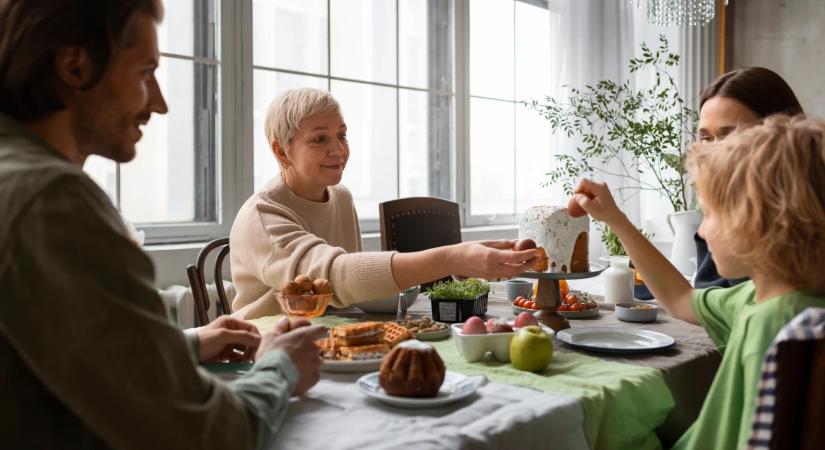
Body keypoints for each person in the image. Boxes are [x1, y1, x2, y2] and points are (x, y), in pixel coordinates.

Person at [0, 1, 325, 449]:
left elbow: (49, 355)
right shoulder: (52, 201)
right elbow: (201, 436)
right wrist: (280, 367)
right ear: (75, 66)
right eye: (145, 73)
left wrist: (180, 346)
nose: (160, 103)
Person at [570, 115, 825, 449]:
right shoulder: (766, 299)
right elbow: (680, 298)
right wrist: (615, 219)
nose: (701, 231)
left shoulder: (773, 323)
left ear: (756, 222)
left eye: (711, 214)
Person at [230, 88, 540, 319]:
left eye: (342, 135)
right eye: (320, 139)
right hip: (264, 349)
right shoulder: (262, 216)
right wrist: (453, 258)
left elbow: (349, 291)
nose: (338, 150)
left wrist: (463, 261)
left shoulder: (340, 197)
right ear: (281, 151)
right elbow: (331, 279)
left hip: (331, 338)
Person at [693, 66, 803, 288]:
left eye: (731, 135)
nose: (715, 151)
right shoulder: (721, 207)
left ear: (779, 131)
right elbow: (699, 297)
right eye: (706, 138)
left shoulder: (803, 218)